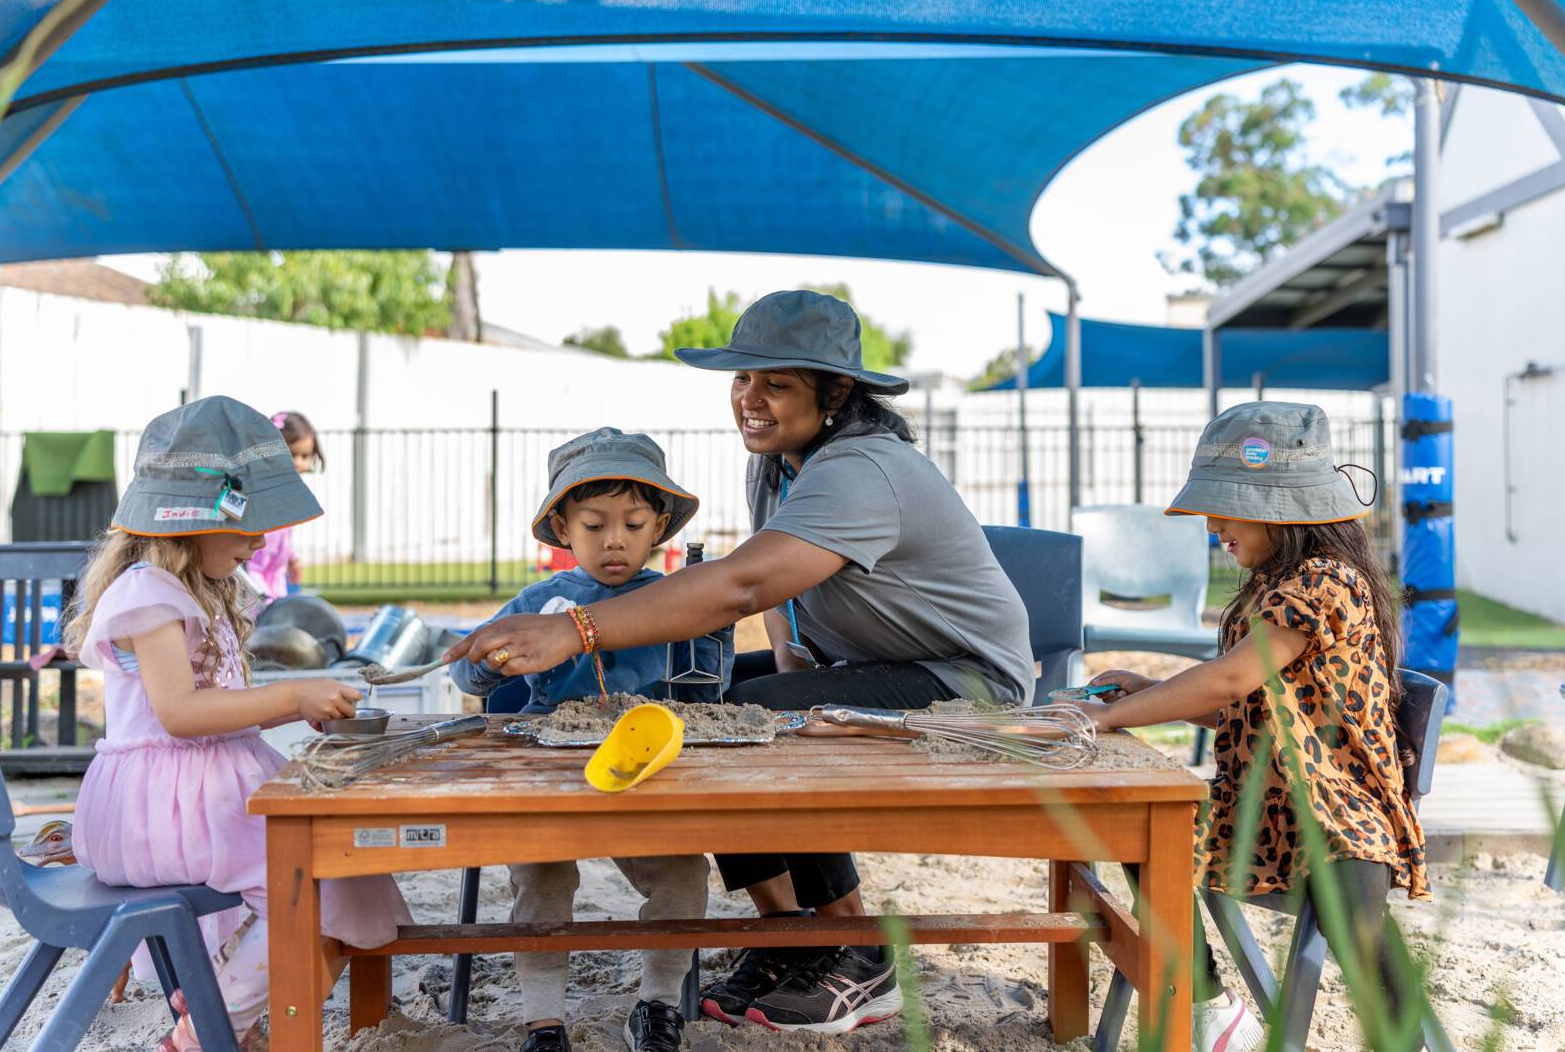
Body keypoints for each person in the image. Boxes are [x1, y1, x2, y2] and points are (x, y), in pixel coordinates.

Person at [445, 290, 1033, 1036]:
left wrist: (578, 631)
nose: (750, 399)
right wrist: (783, 669)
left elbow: (742, 584)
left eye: (776, 384)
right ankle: (787, 934)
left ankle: (856, 946)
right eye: (742, 380)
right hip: (879, 662)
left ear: (837, 392)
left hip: (964, 681)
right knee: (700, 709)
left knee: (762, 719)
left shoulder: (862, 469)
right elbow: (783, 602)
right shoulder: (781, 461)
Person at [63, 397, 412, 1052]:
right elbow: (180, 712)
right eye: (243, 521)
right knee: (316, 873)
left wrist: (300, 700)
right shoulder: (148, 593)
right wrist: (290, 699)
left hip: (198, 792)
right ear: (187, 522)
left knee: (352, 866)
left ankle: (234, 1018)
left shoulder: (203, 587)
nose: (257, 538)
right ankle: (208, 1031)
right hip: (156, 806)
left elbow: (216, 703)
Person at [1078, 401, 1428, 1052]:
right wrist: (1150, 692)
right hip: (1269, 811)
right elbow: (1248, 706)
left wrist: (1111, 715)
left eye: (1226, 508)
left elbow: (1232, 680)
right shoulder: (1277, 583)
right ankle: (1209, 1006)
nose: (1213, 525)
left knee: (1360, 938)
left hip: (1336, 821)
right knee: (1133, 824)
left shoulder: (1324, 582)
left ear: (1281, 510)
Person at [450, 427, 732, 1052]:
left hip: (645, 771)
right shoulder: (540, 600)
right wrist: (488, 664)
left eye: (634, 524)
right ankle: (544, 1020)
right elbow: (467, 671)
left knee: (685, 877)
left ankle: (656, 1006)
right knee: (540, 877)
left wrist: (715, 638)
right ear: (562, 526)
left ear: (660, 526)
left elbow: (708, 693)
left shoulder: (677, 600)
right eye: (595, 524)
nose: (615, 540)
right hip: (554, 770)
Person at [246, 410, 323, 601]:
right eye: (292, 454)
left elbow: (283, 535)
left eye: (305, 456)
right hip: (253, 572)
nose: (298, 463)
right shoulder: (259, 490)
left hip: (276, 574)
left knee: (279, 615)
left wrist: (291, 557)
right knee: (263, 614)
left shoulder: (286, 494)